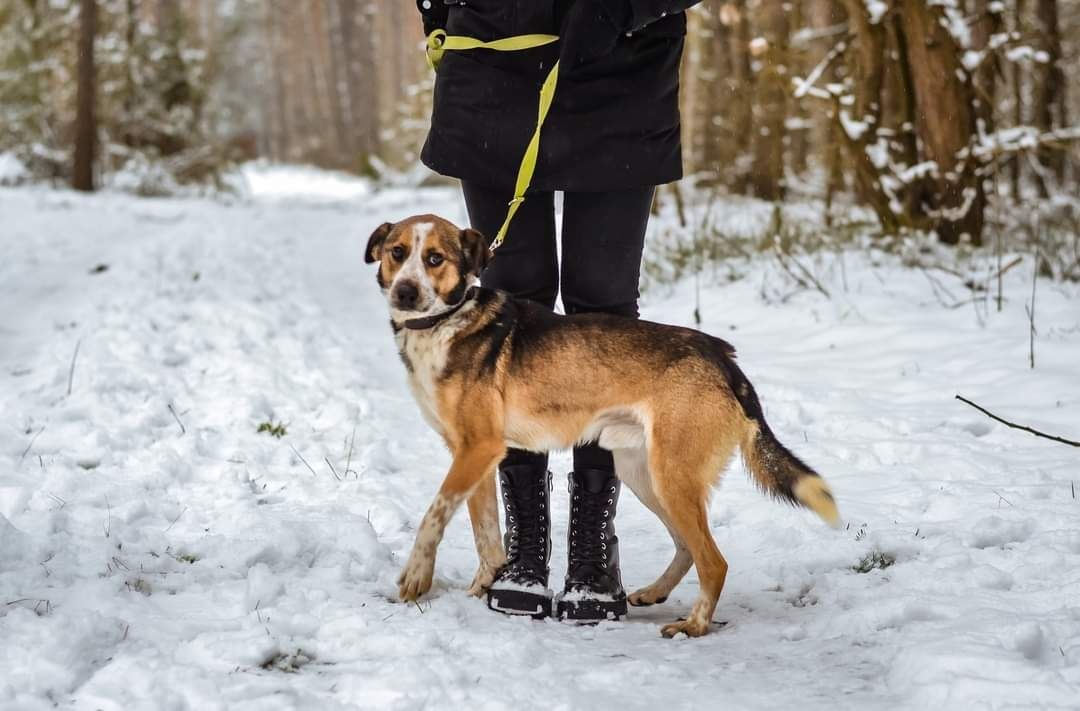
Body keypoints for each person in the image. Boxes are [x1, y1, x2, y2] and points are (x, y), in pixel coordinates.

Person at [414, 0, 702, 621]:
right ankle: (525, 547)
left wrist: (619, 8)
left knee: (604, 313)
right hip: (491, 67)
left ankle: (593, 550)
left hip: (619, 67)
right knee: (507, 309)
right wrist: (440, 13)